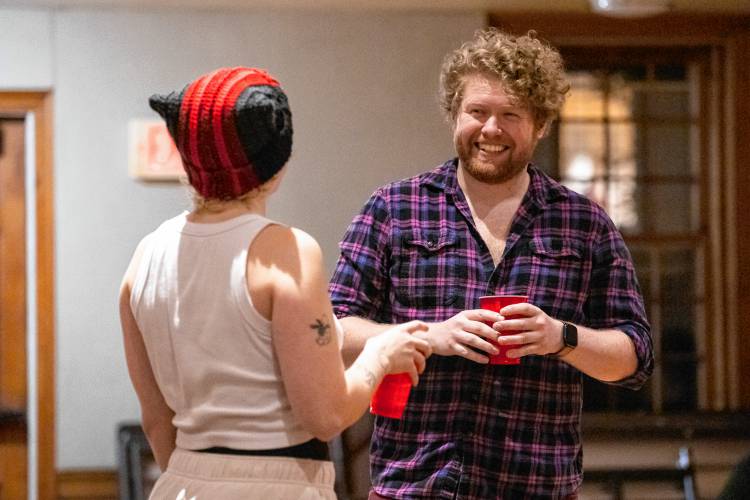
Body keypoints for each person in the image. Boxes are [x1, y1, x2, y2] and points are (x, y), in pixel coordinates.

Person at [329, 29, 654, 499]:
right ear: (454, 116)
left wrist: (559, 337)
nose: (491, 129)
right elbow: (333, 334)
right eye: (477, 112)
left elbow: (635, 357)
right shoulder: (393, 208)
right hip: (415, 486)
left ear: (540, 124)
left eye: (510, 115)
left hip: (538, 487)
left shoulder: (584, 223)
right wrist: (429, 335)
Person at [119, 67, 432, 500]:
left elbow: (155, 420)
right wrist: (380, 354)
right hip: (277, 483)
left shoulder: (143, 258)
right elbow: (327, 414)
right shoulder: (286, 249)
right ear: (276, 162)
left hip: (182, 481)